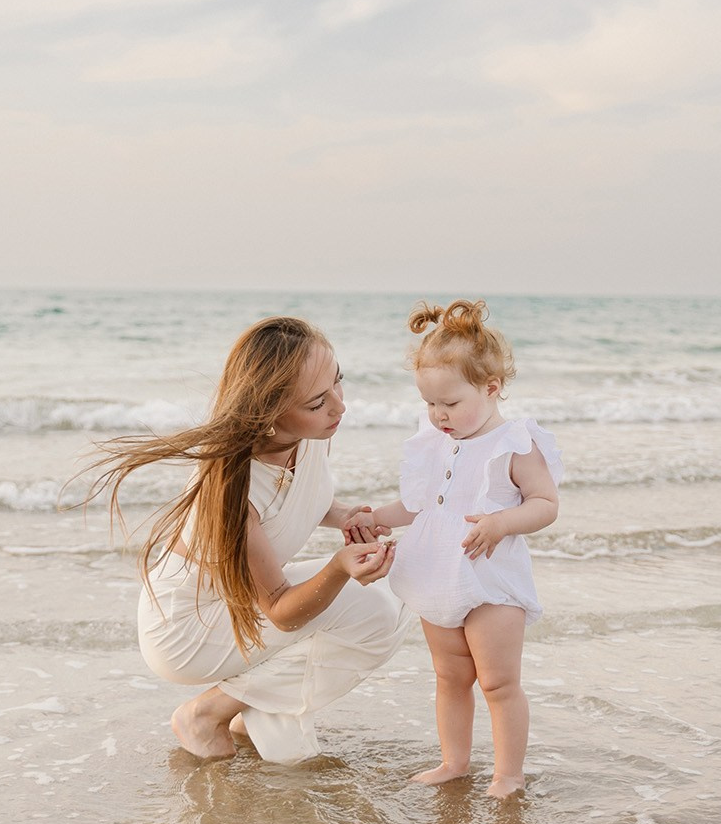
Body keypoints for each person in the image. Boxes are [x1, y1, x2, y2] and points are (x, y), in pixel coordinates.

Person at [89, 316, 409, 762]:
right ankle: (207, 713)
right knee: (372, 611)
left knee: (401, 591)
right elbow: (281, 612)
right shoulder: (233, 492)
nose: (340, 407)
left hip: (238, 601)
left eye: (339, 383)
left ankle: (251, 712)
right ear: (268, 412)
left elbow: (296, 497)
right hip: (188, 627)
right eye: (319, 402)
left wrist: (342, 516)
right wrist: (338, 568)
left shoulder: (310, 433)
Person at [344, 300, 561, 797]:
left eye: (451, 404)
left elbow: (546, 504)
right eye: (430, 404)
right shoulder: (435, 440)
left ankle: (507, 775)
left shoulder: (514, 443)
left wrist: (503, 521)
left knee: (498, 684)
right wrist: (375, 518)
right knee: (449, 676)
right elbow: (419, 505)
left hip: (490, 580)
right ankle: (454, 762)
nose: (439, 415)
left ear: (491, 388)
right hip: (437, 574)